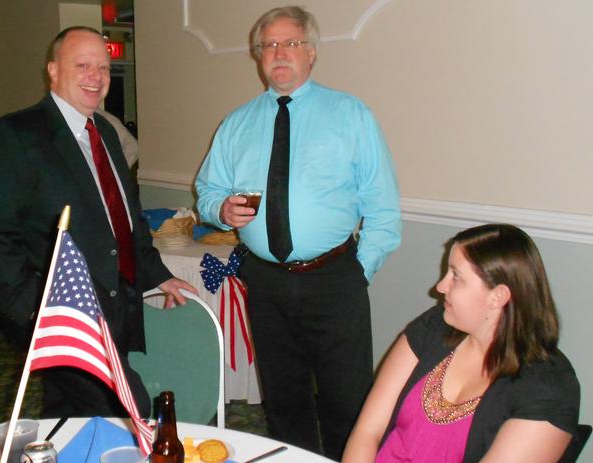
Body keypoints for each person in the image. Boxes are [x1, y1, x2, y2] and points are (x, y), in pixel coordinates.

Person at [195, 6, 401, 459]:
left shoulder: (351, 115)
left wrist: (356, 273)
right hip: (265, 281)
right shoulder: (237, 124)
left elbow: (383, 209)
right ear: (258, 57)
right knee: (283, 402)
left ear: (311, 53)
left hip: (334, 279)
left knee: (347, 402)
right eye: (269, 45)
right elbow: (207, 191)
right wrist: (219, 208)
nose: (279, 53)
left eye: (290, 43)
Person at [0, 26, 195, 419]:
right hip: (64, 316)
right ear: (53, 71)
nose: (96, 76)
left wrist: (156, 274)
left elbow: (124, 217)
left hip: (116, 304)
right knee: (129, 409)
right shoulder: (16, 134)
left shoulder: (104, 130)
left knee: (70, 418)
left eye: (104, 67)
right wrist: (34, 312)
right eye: (83, 65)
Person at [342, 224, 580, 463]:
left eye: (455, 276)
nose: (441, 286)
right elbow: (367, 432)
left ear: (497, 297)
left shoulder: (548, 390)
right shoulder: (433, 327)